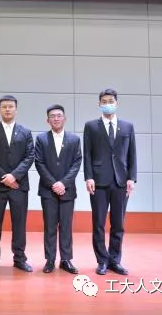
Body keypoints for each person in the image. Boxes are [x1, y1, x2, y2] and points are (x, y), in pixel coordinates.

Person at [83, 89, 137, 276]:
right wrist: (88, 177)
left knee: (118, 224)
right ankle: (102, 261)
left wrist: (131, 178)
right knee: (98, 223)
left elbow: (132, 154)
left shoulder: (127, 127)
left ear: (117, 103)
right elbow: (87, 153)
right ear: (99, 104)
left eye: (111, 101)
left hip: (121, 181)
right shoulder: (91, 126)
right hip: (98, 181)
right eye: (104, 101)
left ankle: (115, 260)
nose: (108, 104)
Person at [0, 95, 34, 272]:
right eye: (4, 106)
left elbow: (29, 156)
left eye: (11, 106)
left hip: (19, 186)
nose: (7, 109)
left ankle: (19, 258)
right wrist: (4, 177)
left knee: (19, 223)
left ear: (16, 110)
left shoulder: (25, 132)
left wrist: (14, 176)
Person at [34, 104, 82, 274]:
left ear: (64, 118)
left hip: (67, 190)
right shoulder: (41, 139)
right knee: (49, 226)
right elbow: (39, 162)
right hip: (48, 191)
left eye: (59, 115)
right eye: (52, 116)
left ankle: (66, 260)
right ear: (47, 120)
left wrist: (63, 183)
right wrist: (53, 183)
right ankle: (50, 260)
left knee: (66, 226)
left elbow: (77, 163)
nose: (56, 118)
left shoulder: (74, 139)